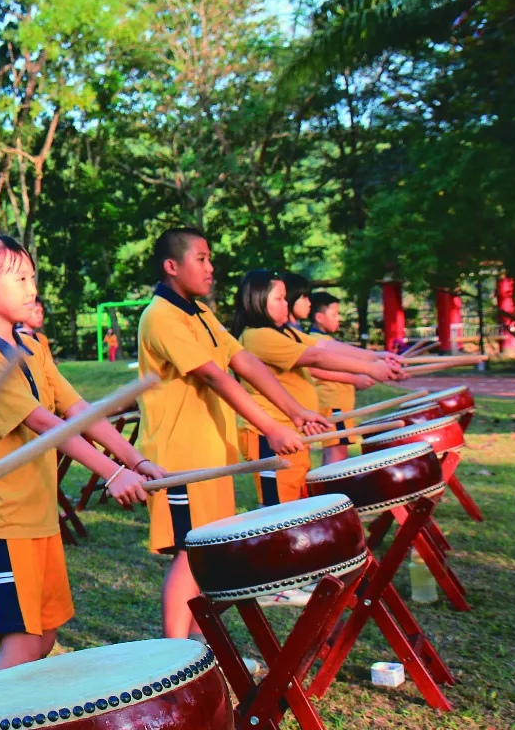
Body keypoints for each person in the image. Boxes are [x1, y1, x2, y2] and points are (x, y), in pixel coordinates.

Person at [0, 231, 164, 674]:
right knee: (21, 644)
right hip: (1, 520)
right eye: (18, 279)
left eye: (32, 278)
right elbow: (47, 426)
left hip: (38, 515)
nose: (32, 288)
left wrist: (135, 461)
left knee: (46, 633)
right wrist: (113, 475)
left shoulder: (32, 345)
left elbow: (78, 410)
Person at [136, 228, 331, 633]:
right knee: (191, 554)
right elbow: (215, 378)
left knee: (207, 554)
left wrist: (296, 412)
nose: (211, 268)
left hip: (212, 452)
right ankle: (178, 660)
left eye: (210, 258)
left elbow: (243, 363)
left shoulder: (202, 314)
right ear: (172, 266)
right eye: (202, 259)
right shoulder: (160, 316)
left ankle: (198, 652)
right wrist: (271, 428)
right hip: (179, 459)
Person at [231, 270, 407, 507]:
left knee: (294, 499)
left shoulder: (285, 332)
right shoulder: (257, 336)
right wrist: (369, 369)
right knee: (280, 510)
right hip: (269, 435)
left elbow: (325, 347)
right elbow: (315, 357)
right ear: (258, 300)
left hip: (290, 432)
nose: (286, 304)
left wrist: (375, 357)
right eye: (279, 299)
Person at [308, 291, 375, 464]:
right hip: (333, 405)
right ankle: (332, 490)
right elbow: (315, 371)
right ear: (319, 317)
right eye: (334, 314)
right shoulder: (316, 340)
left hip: (339, 405)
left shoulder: (323, 339)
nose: (338, 319)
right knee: (336, 456)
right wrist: (355, 379)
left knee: (336, 452)